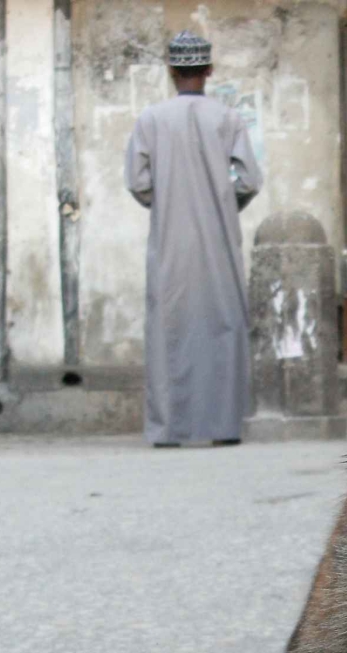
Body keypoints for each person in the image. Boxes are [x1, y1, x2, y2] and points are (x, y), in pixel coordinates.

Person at [126, 31, 263, 448]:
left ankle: (169, 430)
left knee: (169, 328)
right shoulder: (228, 118)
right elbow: (250, 179)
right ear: (208, 70)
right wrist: (221, 202)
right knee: (223, 326)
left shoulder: (150, 119)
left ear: (171, 70)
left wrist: (167, 201)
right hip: (219, 241)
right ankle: (224, 427)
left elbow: (137, 181)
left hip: (168, 241)